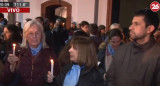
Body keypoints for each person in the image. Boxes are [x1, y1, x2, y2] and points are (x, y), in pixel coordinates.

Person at [106, 9, 160, 86]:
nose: (130, 27)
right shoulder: (122, 49)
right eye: (132, 23)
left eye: (136, 24)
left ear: (149, 29)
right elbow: (110, 77)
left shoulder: (157, 54)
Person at [0, 20, 59, 86]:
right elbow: (4, 80)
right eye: (30, 33)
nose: (34, 36)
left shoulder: (49, 54)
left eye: (37, 33)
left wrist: (51, 80)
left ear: (42, 35)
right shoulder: (16, 53)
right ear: (25, 36)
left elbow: (57, 79)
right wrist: (11, 68)